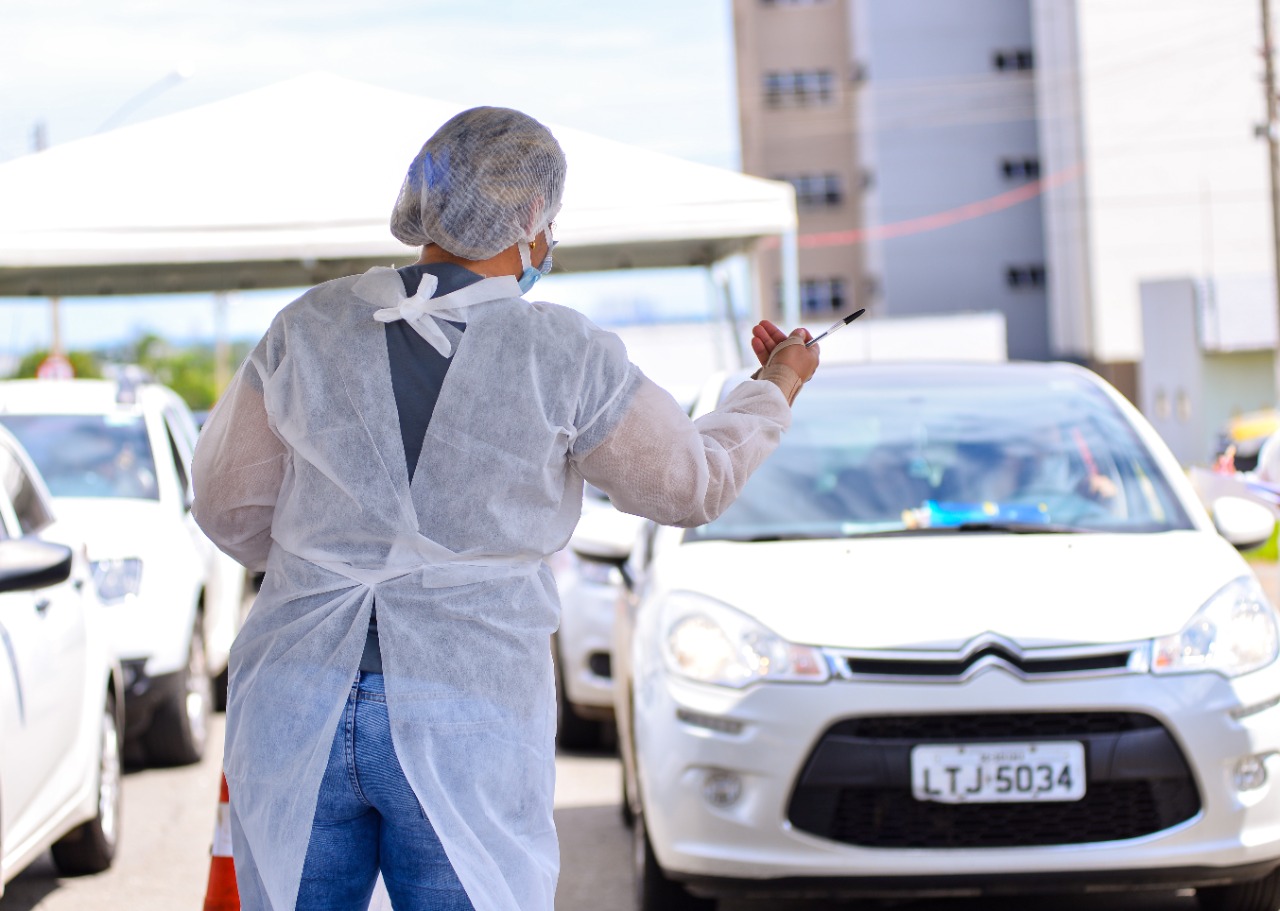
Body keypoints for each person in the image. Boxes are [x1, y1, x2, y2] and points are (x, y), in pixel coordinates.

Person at [190, 106, 819, 911]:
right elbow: (689, 485)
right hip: (467, 704)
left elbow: (224, 500)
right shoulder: (563, 353)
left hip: (293, 692)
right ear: (529, 218)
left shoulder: (309, 324)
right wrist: (776, 386)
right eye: (548, 219)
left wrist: (331, 570)